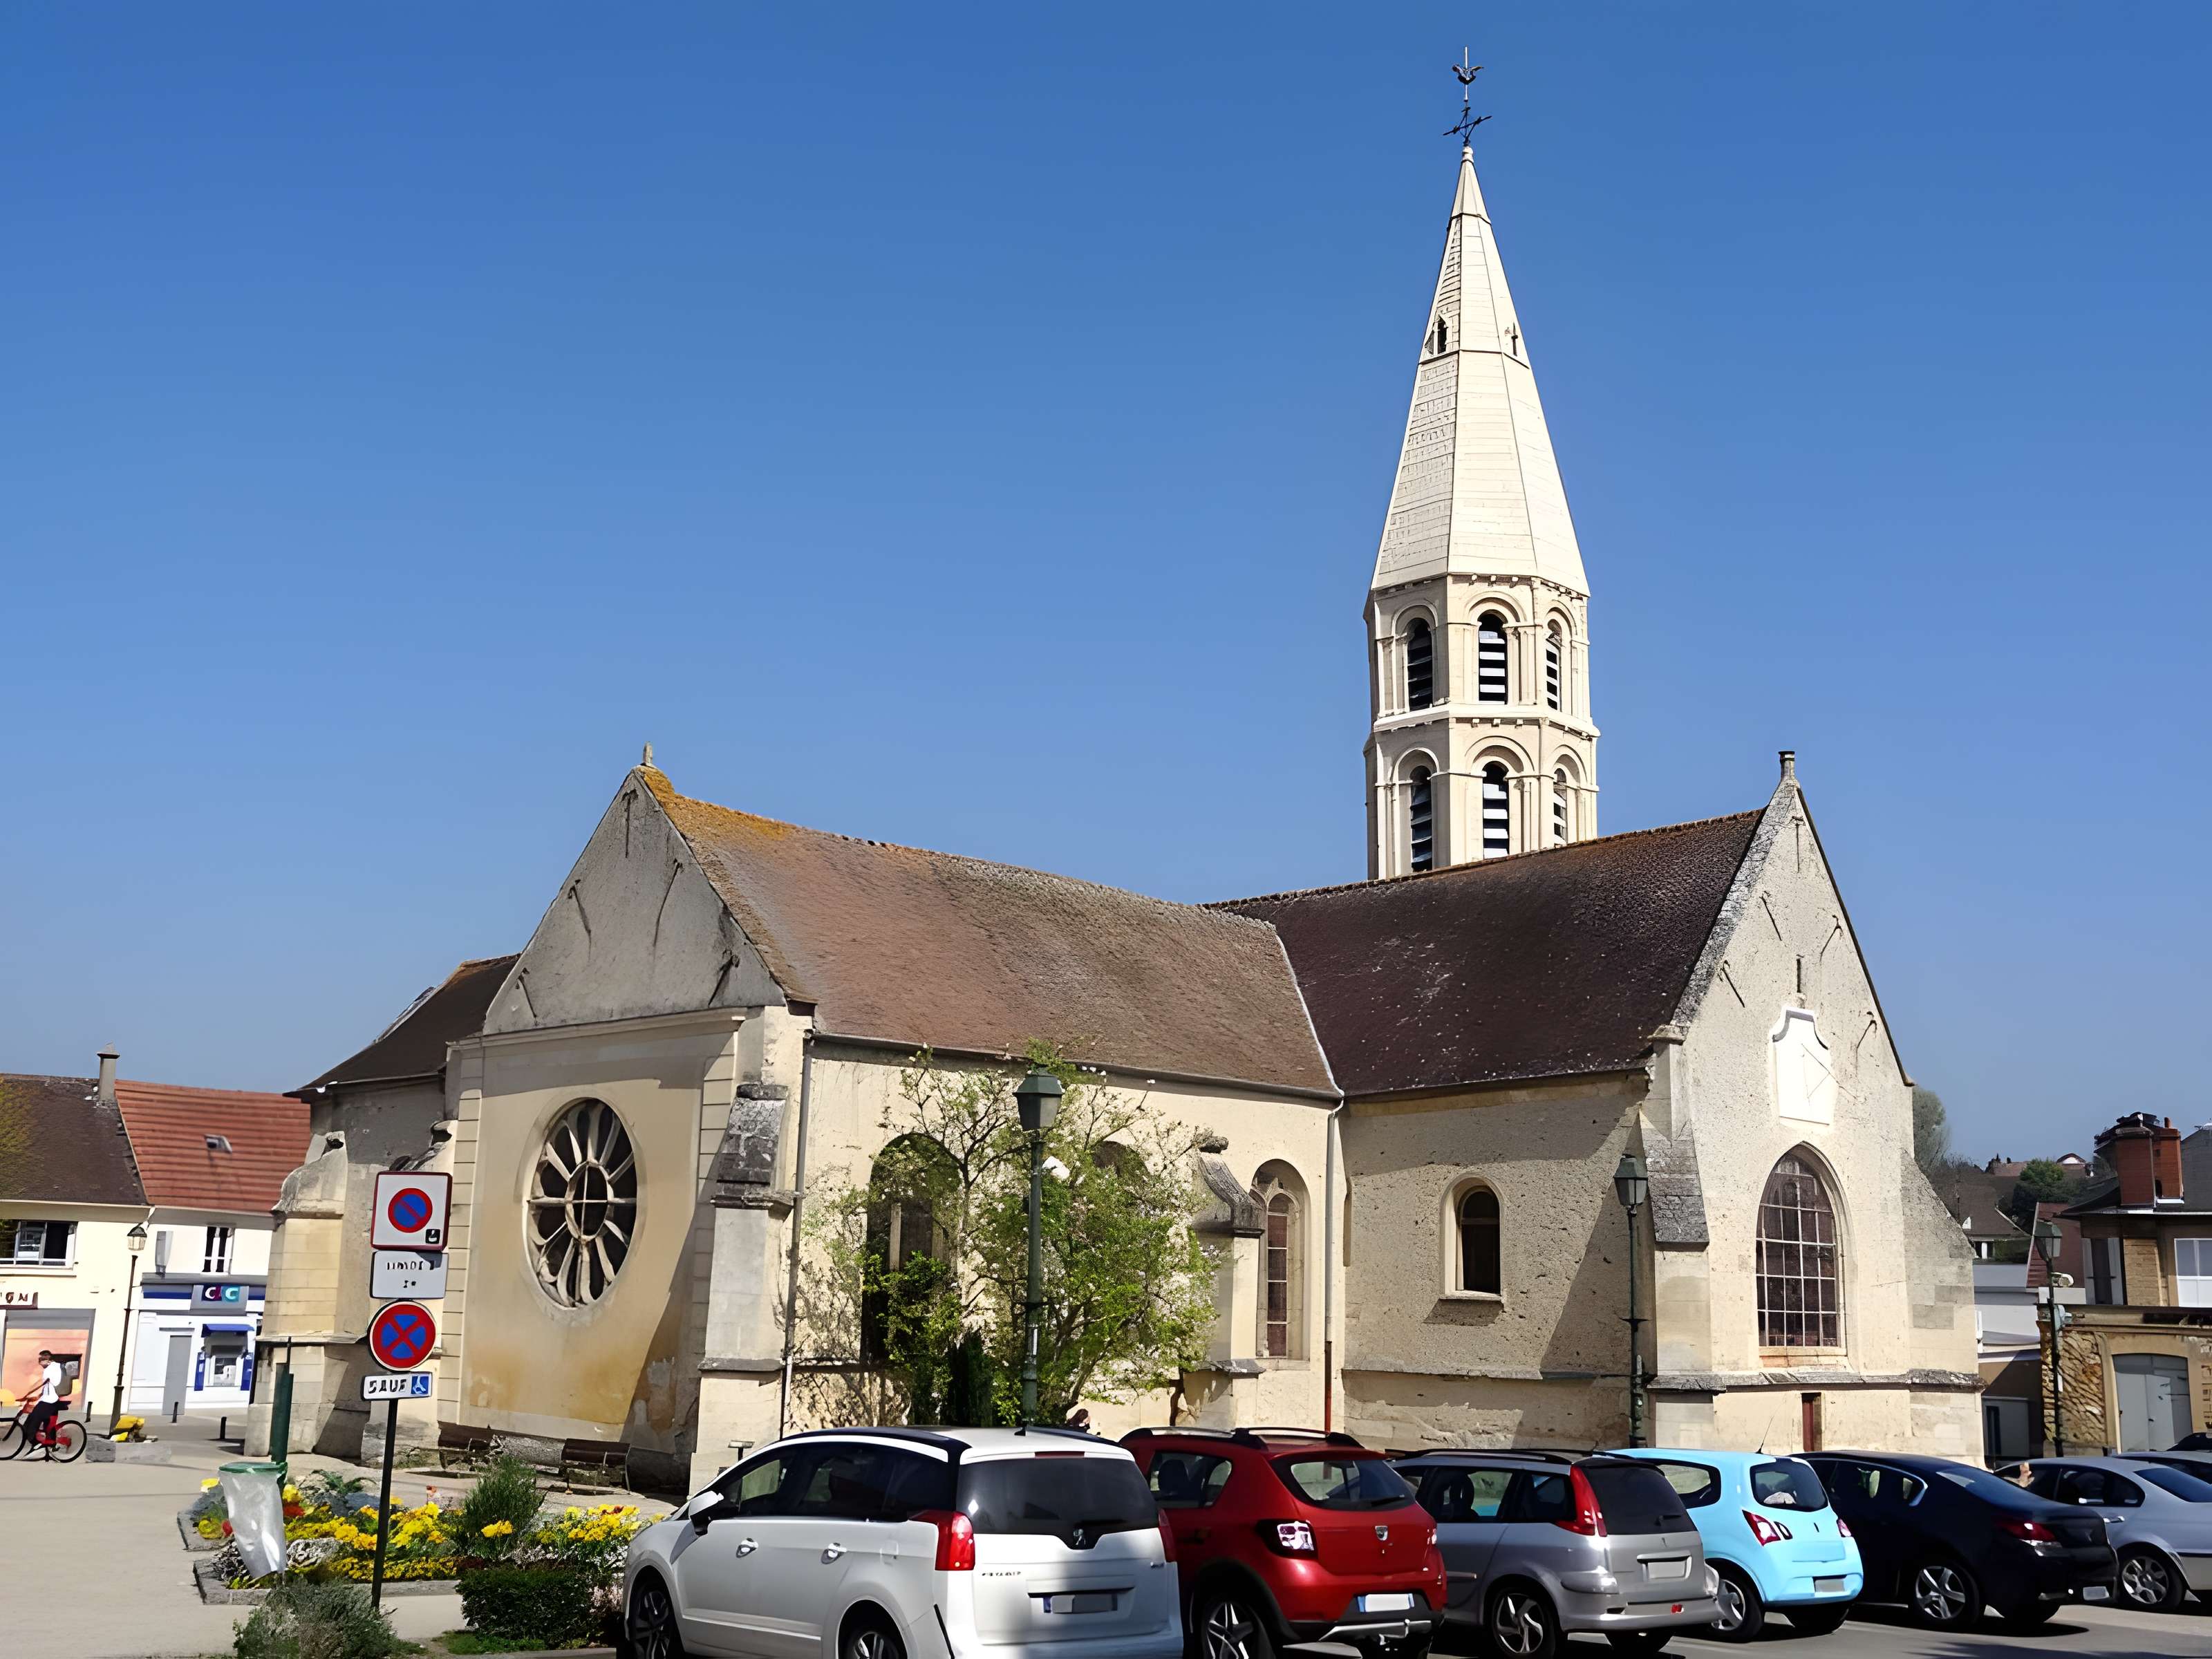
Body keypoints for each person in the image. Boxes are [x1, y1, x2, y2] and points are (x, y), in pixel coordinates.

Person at [23, 1349, 65, 1458]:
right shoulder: (55, 1367)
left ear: (48, 1360)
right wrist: (39, 1395)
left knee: (29, 1425)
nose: (39, 1362)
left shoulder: (50, 1369)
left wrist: (28, 1393)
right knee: (48, 1425)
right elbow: (48, 1385)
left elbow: (44, 1383)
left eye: (41, 1360)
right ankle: (50, 1446)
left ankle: (38, 1446)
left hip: (49, 1401)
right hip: (50, 1400)